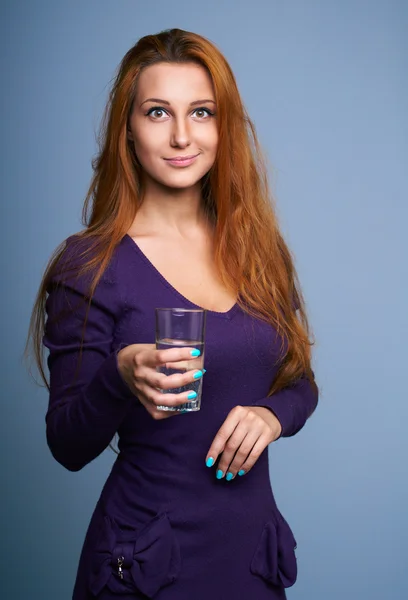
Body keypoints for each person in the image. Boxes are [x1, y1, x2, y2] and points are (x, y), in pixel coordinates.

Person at [27, 28, 319, 600]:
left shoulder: (259, 252)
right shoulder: (90, 265)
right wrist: (119, 377)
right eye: (158, 112)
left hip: (249, 561)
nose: (182, 135)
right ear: (128, 129)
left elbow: (302, 382)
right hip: (144, 563)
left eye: (201, 112)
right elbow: (66, 445)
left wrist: (273, 415)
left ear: (223, 126)